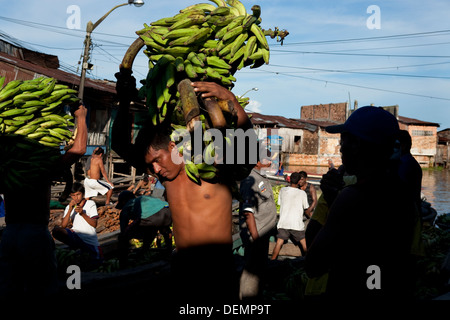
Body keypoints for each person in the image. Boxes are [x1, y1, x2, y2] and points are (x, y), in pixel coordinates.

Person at [112, 69, 256, 301]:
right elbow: (119, 144)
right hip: (181, 266)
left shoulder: (211, 166)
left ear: (172, 147)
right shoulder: (165, 175)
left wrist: (230, 99)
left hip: (216, 270)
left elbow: (249, 152)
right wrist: (125, 98)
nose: (155, 170)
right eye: (151, 165)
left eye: (157, 160)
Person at [305, 106, 417, 300]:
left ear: (356, 145)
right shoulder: (403, 197)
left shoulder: (352, 198)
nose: (340, 147)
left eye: (343, 140)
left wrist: (332, 202)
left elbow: (314, 264)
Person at [0, 104, 88, 298]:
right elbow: (80, 148)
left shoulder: (8, 166)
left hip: (10, 233)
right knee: (41, 290)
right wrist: (81, 116)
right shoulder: (41, 165)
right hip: (34, 234)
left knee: (9, 289)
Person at [238, 156, 277, 300]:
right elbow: (248, 212)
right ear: (257, 162)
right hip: (257, 234)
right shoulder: (250, 180)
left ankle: (256, 297)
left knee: (259, 269)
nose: (271, 161)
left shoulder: (260, 177)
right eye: (267, 158)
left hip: (262, 233)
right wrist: (255, 238)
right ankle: (248, 301)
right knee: (252, 270)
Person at [116, 190, 173, 268]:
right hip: (169, 212)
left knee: (122, 237)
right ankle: (169, 252)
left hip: (153, 217)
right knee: (155, 229)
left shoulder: (127, 206)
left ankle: (123, 264)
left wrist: (124, 238)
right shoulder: (144, 198)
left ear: (123, 201)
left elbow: (123, 230)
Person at [52, 182, 102, 267]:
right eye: (73, 195)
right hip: (75, 236)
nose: (76, 198)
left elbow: (94, 224)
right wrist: (70, 209)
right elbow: (63, 226)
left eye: (78, 194)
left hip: (89, 239)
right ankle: (76, 247)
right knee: (56, 230)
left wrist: (83, 213)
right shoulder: (69, 207)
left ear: (82, 194)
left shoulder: (90, 204)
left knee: (97, 262)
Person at [271, 172, 309, 259]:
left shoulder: (283, 190)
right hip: (297, 224)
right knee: (305, 245)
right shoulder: (302, 193)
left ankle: (272, 261)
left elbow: (280, 203)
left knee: (278, 243)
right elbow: (306, 208)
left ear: (290, 180)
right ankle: (308, 262)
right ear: (299, 181)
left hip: (284, 223)